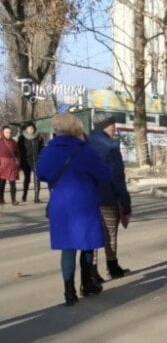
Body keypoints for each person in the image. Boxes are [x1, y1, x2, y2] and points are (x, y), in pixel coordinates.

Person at [37, 113, 111, 306]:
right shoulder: (86, 151)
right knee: (87, 245)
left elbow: (42, 174)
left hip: (60, 204)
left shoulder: (48, 151)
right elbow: (105, 175)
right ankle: (87, 285)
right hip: (84, 203)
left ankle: (68, 291)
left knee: (68, 248)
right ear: (76, 129)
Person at [88, 113, 133, 279]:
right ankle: (113, 267)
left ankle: (92, 273)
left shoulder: (84, 143)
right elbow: (117, 177)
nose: (115, 128)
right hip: (107, 198)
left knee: (92, 234)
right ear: (106, 126)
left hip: (88, 198)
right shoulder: (111, 146)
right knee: (110, 234)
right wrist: (125, 201)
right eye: (113, 125)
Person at [17, 123, 44, 203]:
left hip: (36, 160)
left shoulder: (38, 137)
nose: (30, 130)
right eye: (28, 129)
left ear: (34, 129)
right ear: (26, 129)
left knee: (37, 178)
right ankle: (24, 195)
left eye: (32, 128)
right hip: (26, 160)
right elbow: (19, 149)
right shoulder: (22, 137)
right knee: (27, 178)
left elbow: (41, 147)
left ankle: (36, 197)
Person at [0, 125, 21, 205]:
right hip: (2, 166)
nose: (8, 134)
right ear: (3, 133)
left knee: (13, 183)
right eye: (6, 132)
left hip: (12, 165)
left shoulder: (14, 142)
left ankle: (13, 200)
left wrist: (18, 161)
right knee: (2, 184)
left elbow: (18, 153)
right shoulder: (0, 142)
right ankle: (1, 199)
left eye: (9, 132)